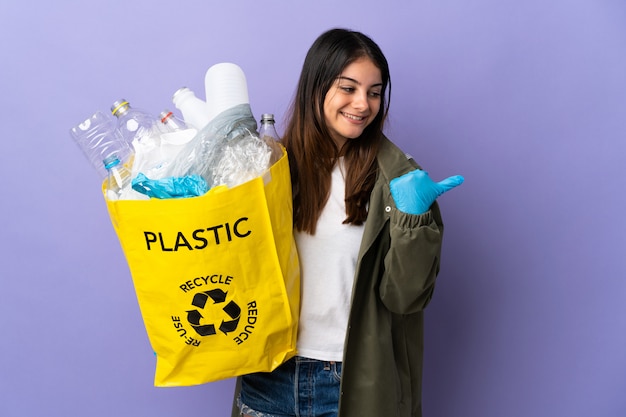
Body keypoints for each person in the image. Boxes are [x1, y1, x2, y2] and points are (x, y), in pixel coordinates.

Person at [233, 28, 464, 417]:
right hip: (266, 374)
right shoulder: (267, 168)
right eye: (349, 88)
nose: (363, 103)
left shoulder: (398, 181)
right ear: (316, 87)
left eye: (374, 92)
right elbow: (235, 268)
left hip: (349, 379)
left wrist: (414, 222)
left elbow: (405, 297)